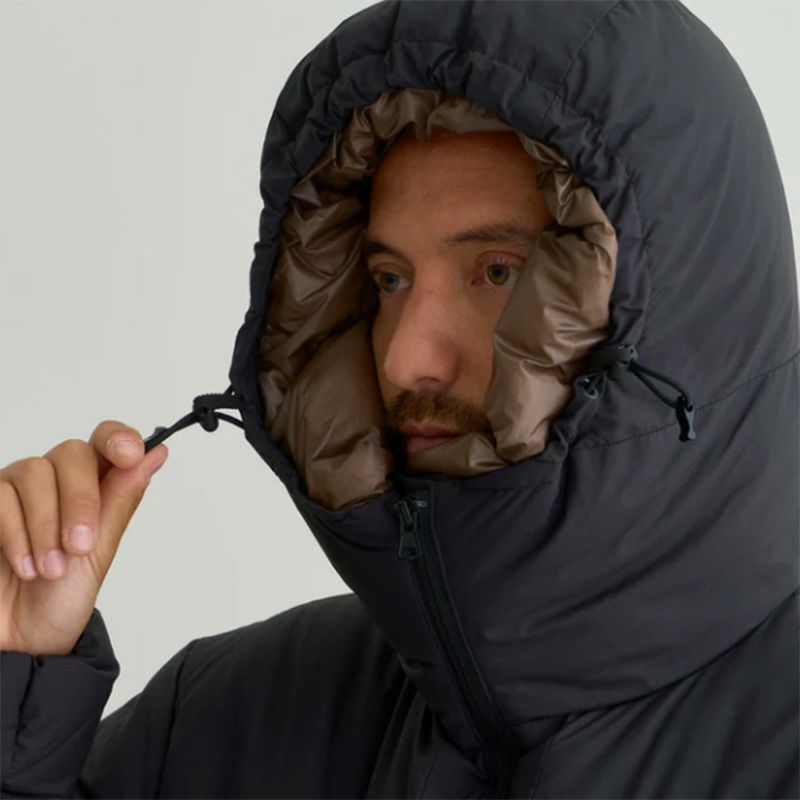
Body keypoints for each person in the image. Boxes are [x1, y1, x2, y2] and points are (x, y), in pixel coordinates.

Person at [1, 1, 798, 798]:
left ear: (683, 311)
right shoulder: (225, 720)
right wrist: (15, 687)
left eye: (498, 272)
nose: (407, 357)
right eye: (388, 279)